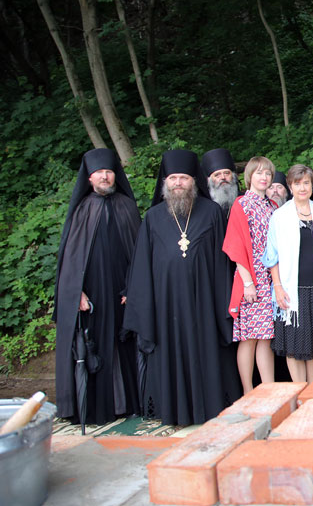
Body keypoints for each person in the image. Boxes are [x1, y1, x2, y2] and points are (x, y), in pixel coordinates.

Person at [123, 150, 241, 425]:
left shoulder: (211, 212)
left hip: (205, 302)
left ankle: (210, 407)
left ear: (194, 181)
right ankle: (175, 410)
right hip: (166, 305)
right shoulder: (152, 218)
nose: (178, 183)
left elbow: (223, 262)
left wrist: (224, 302)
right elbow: (141, 266)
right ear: (165, 182)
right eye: (173, 178)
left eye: (184, 178)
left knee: (208, 353)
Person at [54, 148, 141, 426]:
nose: (105, 176)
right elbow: (70, 260)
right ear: (89, 178)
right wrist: (75, 292)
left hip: (123, 291)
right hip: (92, 294)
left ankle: (130, 403)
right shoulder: (81, 211)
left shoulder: (127, 206)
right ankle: (97, 409)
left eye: (109, 171)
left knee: (125, 343)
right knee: (97, 346)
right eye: (99, 173)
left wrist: (133, 287)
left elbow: (139, 252)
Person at [264, 164, 313, 383]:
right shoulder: (279, 216)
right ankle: (298, 390)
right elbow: (271, 256)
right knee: (294, 345)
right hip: (290, 289)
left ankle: (312, 392)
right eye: (297, 183)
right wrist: (277, 287)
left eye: (306, 183)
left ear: (312, 185)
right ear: (290, 186)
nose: (302, 188)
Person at [222, 157, 277, 394]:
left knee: (266, 336)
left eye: (267, 174)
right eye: (258, 173)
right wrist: (247, 283)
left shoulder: (273, 206)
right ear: (249, 177)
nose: (263, 177)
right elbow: (235, 247)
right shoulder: (242, 204)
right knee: (249, 338)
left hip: (271, 276)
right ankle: (247, 391)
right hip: (252, 276)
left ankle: (268, 389)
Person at [202, 148, 239, 219]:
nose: (223, 177)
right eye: (217, 175)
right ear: (209, 180)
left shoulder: (243, 201)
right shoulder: (204, 205)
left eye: (227, 173)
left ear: (233, 176)